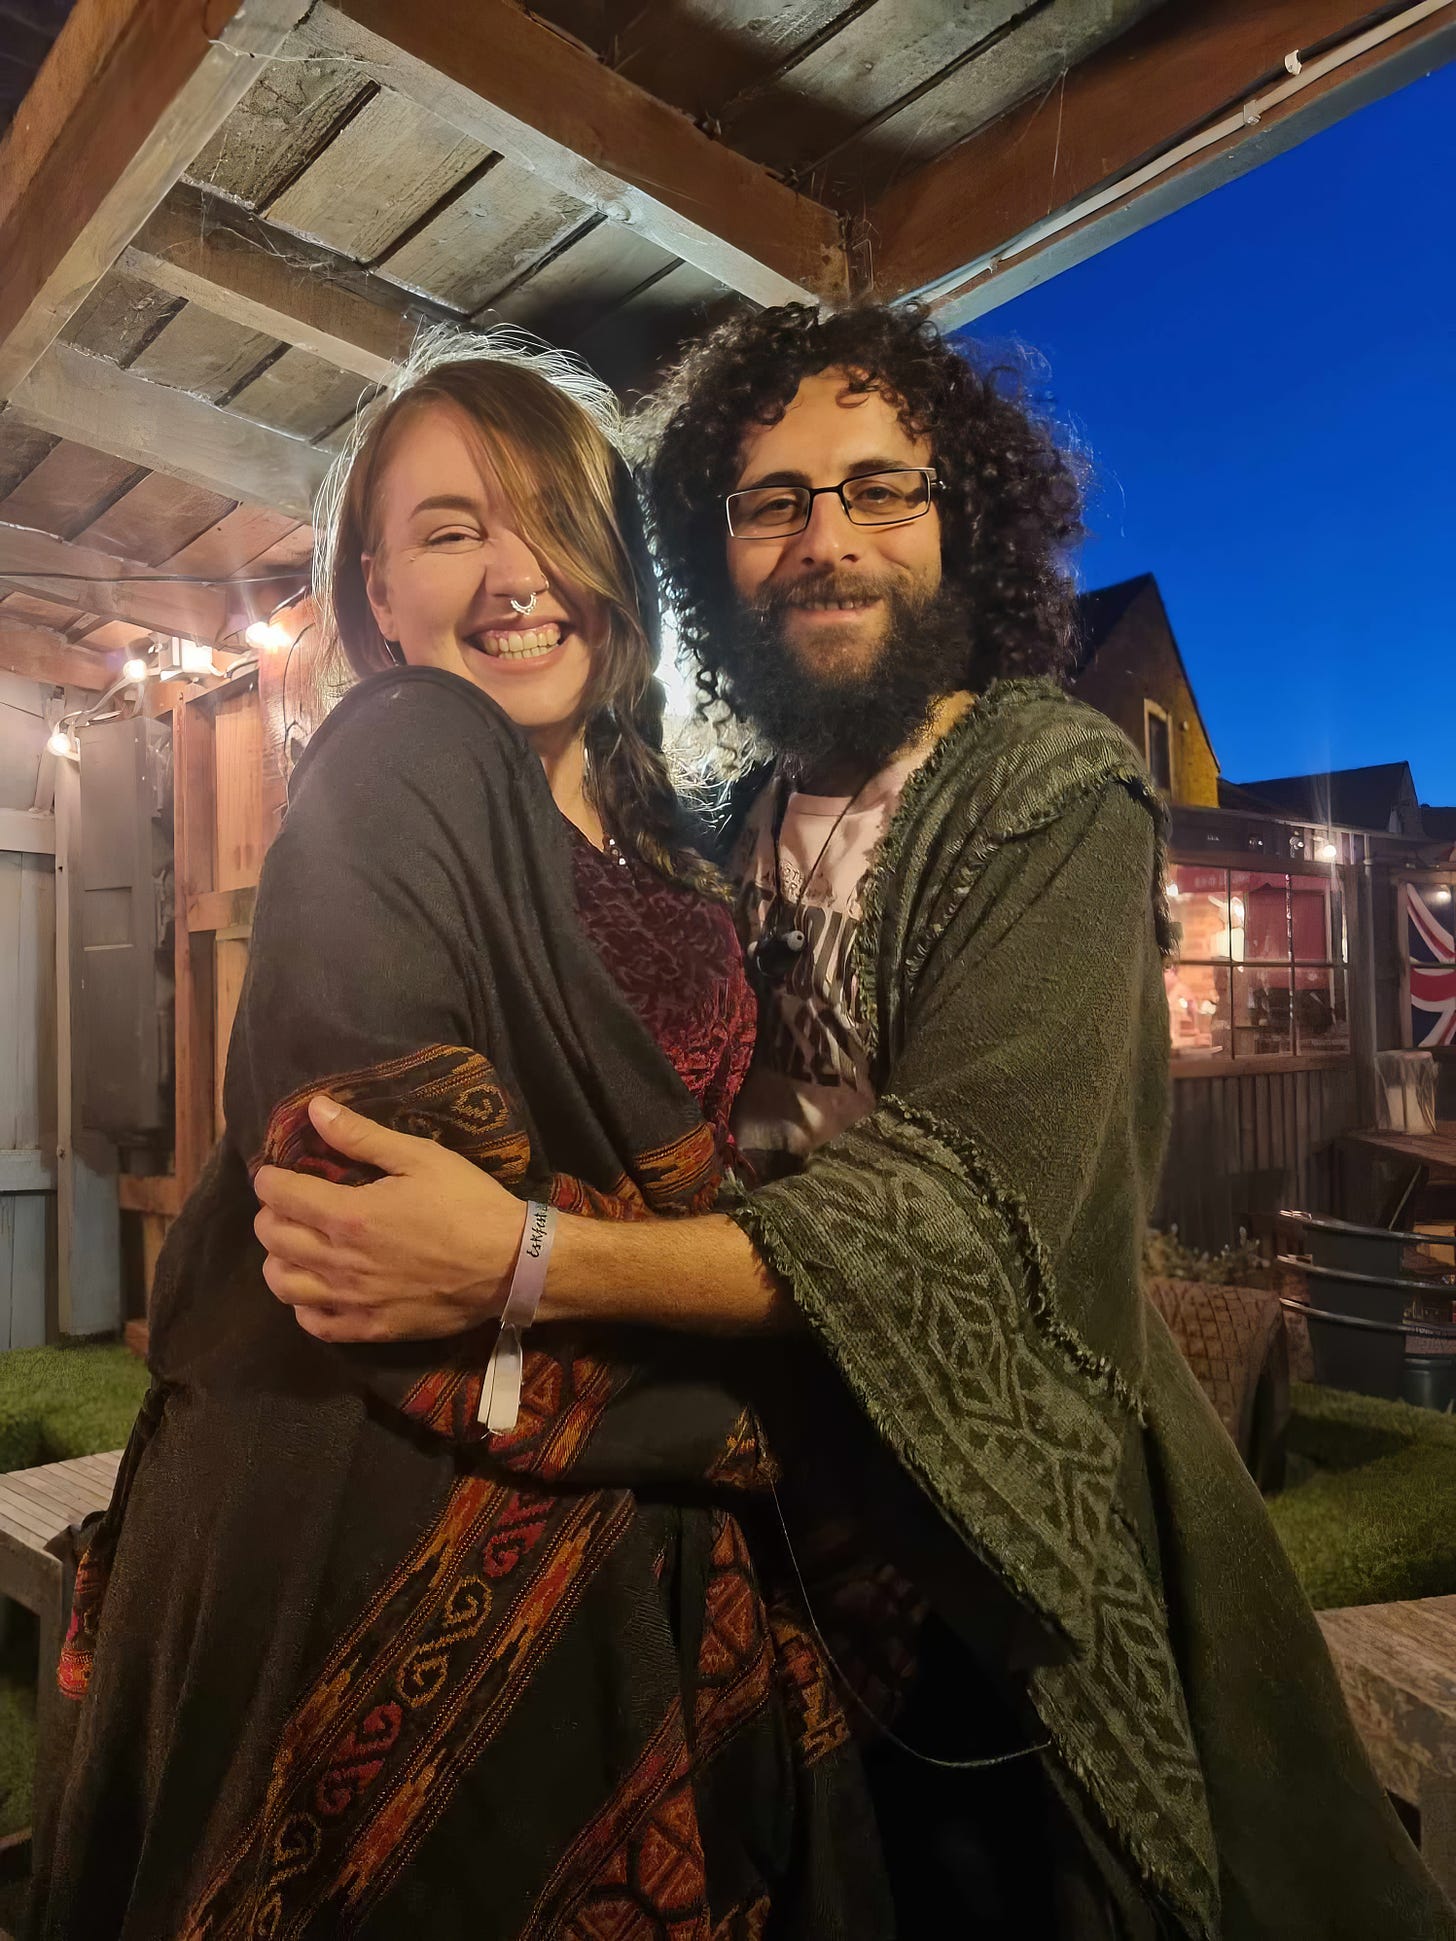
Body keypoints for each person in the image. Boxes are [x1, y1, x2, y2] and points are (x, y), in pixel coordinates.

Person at [256, 305, 1456, 1940]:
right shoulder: (718, 828)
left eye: (883, 490)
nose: (828, 541)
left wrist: (523, 1258)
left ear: (967, 524)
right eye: (774, 501)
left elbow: (963, 1215)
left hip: (1001, 1553)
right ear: (711, 548)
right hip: (762, 1560)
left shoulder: (1047, 789)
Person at [28, 334, 899, 1937]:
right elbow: (358, 1171)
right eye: (447, 531)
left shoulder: (697, 859)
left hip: (623, 1534)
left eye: (547, 520)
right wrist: (728, 1374)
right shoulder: (395, 765)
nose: (513, 575)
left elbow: (665, 1169)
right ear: (369, 591)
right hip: (359, 1497)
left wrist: (583, 1266)